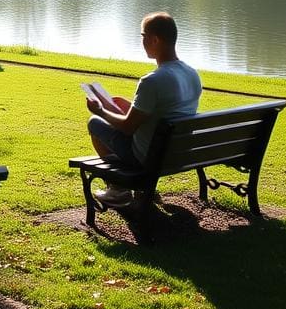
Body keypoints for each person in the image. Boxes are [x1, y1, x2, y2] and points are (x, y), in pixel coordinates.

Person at [85, 11, 202, 206]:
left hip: (147, 157)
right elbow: (167, 112)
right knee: (109, 118)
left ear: (154, 40)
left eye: (143, 36)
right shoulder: (192, 74)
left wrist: (101, 111)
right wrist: (128, 107)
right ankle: (144, 189)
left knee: (95, 124)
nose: (142, 41)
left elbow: (128, 128)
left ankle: (119, 188)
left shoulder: (152, 81)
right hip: (176, 153)